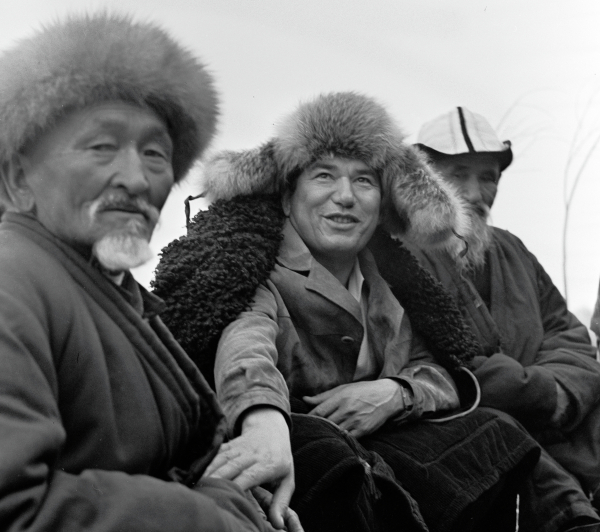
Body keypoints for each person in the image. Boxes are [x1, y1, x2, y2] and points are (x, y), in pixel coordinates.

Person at [154, 92, 542, 532]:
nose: (344, 196)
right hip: (305, 459)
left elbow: (438, 372)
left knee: (498, 434)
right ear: (288, 196)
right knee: (327, 452)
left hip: (381, 451)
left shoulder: (395, 284)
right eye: (324, 175)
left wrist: (395, 393)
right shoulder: (253, 267)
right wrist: (263, 424)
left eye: (364, 180)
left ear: (383, 205)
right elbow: (245, 348)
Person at [0, 12, 298, 532]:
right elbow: (16, 510)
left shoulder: (116, 290)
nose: (137, 179)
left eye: (156, 154)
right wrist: (213, 516)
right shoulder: (12, 287)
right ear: (18, 177)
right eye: (102, 146)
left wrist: (241, 497)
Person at [372, 106, 600, 532]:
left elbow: (567, 333)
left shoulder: (513, 249)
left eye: (489, 177)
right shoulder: (397, 251)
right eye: (459, 174)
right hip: (470, 431)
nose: (477, 193)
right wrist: (532, 390)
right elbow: (439, 358)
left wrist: (555, 391)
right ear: (424, 178)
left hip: (551, 421)